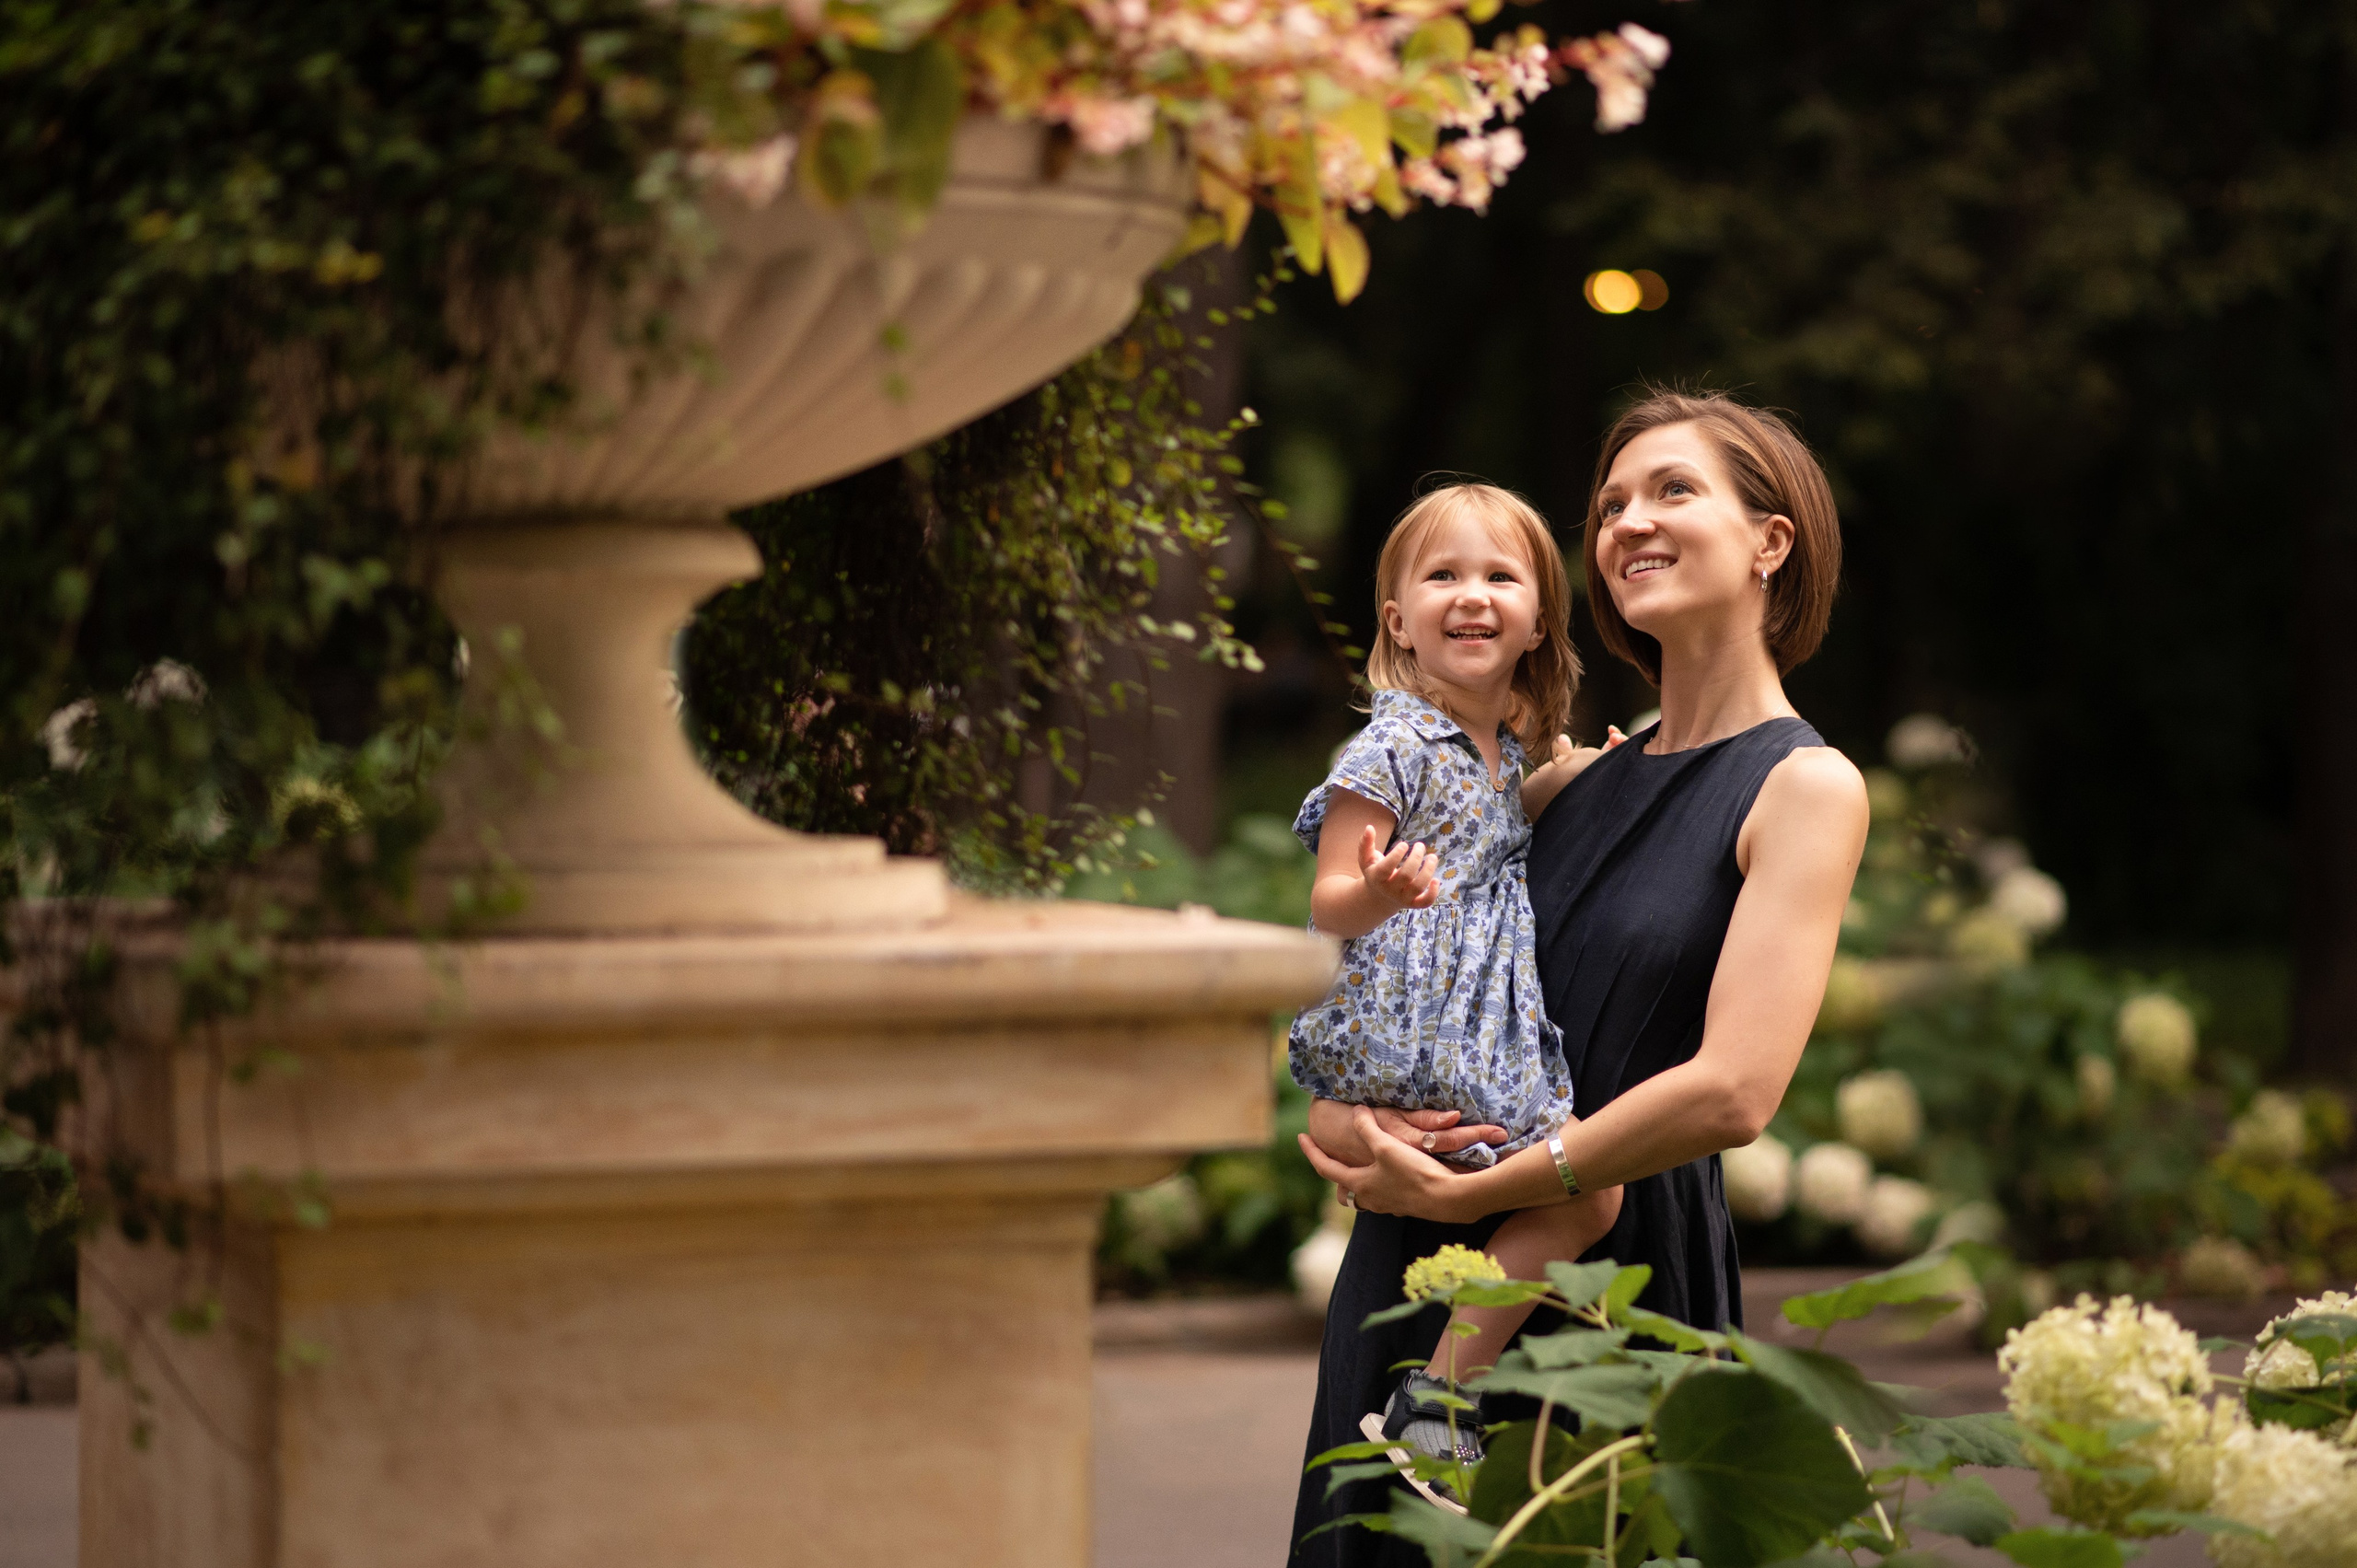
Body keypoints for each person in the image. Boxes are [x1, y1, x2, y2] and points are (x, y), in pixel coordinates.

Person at [1289, 390, 1871, 1567]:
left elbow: (1733, 1092)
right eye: (1609, 503)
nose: (1626, 522)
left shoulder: (1804, 786)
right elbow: (1396, 973)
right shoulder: (1553, 787)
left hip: (1609, 1277)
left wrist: (1507, 1182)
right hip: (1424, 1253)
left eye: (1671, 490)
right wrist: (1350, 1117)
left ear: (1770, 540)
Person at [1288, 482, 1625, 1496]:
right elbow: (1328, 903)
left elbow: (1490, 830)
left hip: (1466, 1037)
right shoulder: (1386, 746)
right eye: (1442, 575)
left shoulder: (1499, 748)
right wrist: (1377, 890)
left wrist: (1565, 780)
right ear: (1398, 619)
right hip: (1410, 1023)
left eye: (1498, 575)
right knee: (1589, 1193)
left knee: (1551, 1188)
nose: (1470, 594)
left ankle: (1436, 1385)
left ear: (1535, 619)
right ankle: (1438, 1395)